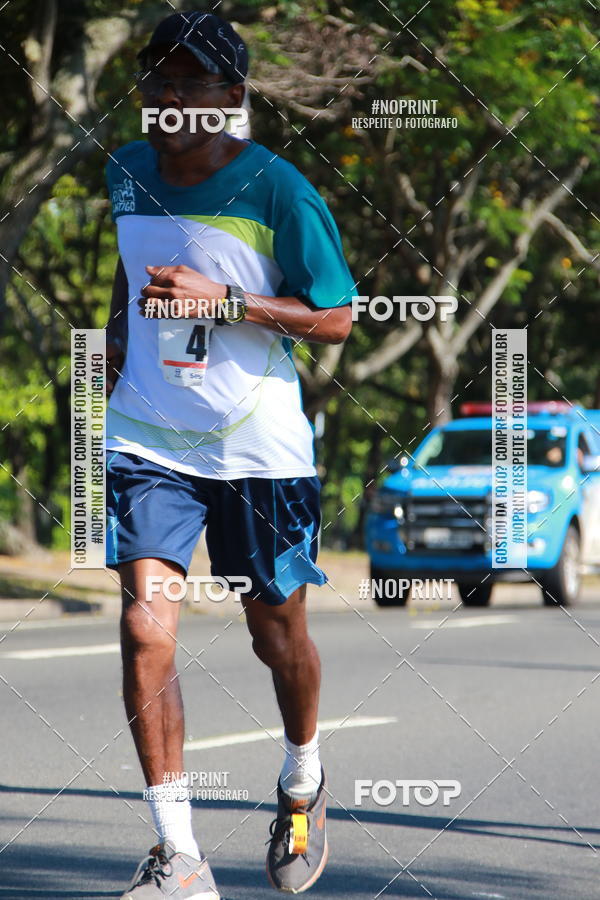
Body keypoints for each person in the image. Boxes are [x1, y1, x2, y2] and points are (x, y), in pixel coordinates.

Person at [104, 10, 354, 899]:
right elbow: (129, 277)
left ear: (233, 97)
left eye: (191, 80)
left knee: (276, 634)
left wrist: (224, 301)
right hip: (148, 441)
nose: (169, 95)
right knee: (144, 629)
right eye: (157, 79)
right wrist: (113, 360)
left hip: (259, 451)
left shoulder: (282, 191)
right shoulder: (126, 170)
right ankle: (180, 857)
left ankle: (301, 777)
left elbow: (335, 318)